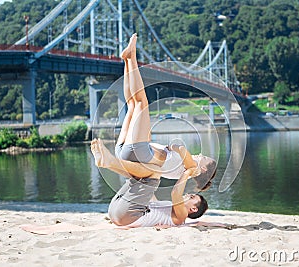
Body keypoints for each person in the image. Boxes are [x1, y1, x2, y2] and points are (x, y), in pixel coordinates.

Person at [114, 33, 217, 191]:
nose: (201, 155)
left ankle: (132, 57)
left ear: (202, 169)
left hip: (137, 151)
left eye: (203, 158)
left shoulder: (193, 169)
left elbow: (178, 147)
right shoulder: (185, 168)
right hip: (128, 152)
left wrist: (174, 148)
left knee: (142, 103)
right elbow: (175, 148)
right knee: (132, 104)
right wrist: (172, 148)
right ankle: (127, 60)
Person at [91, 138, 208, 227]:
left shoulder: (181, 216)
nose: (187, 195)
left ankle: (111, 162)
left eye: (192, 197)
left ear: (193, 209)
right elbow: (151, 199)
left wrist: (188, 172)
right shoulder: (169, 208)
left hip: (126, 216)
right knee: (143, 176)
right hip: (116, 211)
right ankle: (108, 163)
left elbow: (175, 193)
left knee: (156, 172)